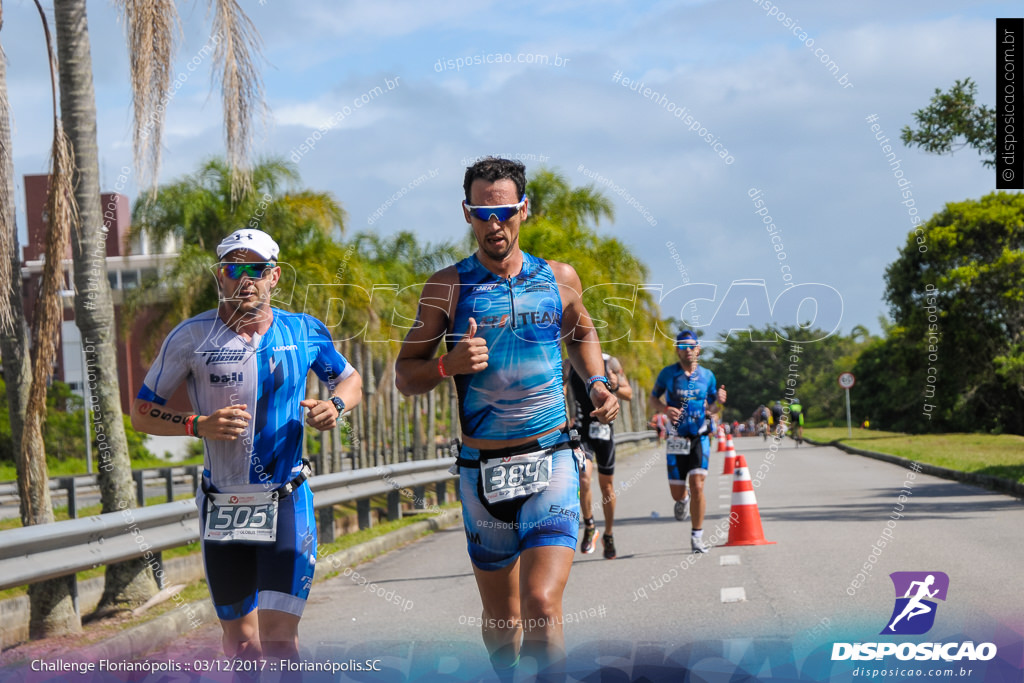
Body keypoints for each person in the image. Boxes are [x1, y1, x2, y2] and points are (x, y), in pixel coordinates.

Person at [394, 157, 618, 679]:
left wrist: (597, 381)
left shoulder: (559, 278)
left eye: (505, 212)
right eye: (481, 213)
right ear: (467, 214)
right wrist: (447, 364)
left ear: (524, 209)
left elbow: (581, 334)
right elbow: (405, 375)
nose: (494, 225)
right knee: (503, 620)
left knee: (541, 604)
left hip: (553, 457)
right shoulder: (447, 287)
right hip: (483, 470)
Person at [131, 228, 363, 661]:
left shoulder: (304, 330)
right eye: (234, 268)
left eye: (256, 268)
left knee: (279, 640)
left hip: (285, 500)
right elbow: (142, 412)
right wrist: (198, 424)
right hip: (222, 505)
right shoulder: (190, 336)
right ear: (220, 276)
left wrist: (335, 406)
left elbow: (350, 380)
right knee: (241, 644)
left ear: (274, 276)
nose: (245, 279)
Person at [648, 330, 726, 554]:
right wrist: (664, 409)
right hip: (676, 438)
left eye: (691, 346)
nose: (688, 350)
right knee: (677, 493)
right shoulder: (668, 374)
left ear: (698, 349)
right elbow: (653, 398)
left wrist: (718, 403)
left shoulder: (707, 376)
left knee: (698, 485)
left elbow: (711, 408)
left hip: (699, 436)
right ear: (677, 350)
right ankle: (682, 501)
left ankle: (697, 536)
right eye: (682, 347)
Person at [566, 353, 633, 560]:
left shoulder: (610, 362)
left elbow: (629, 394)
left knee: (607, 487)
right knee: (583, 475)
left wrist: (615, 386)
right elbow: (559, 391)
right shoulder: (569, 363)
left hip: (604, 431)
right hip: (581, 429)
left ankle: (609, 534)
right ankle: (590, 525)